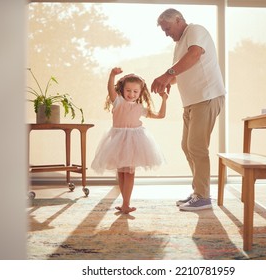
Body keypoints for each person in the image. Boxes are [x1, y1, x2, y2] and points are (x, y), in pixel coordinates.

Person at [151, 8, 226, 211]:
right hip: (192, 102)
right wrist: (169, 80)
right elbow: (182, 71)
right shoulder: (179, 45)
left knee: (197, 147)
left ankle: (203, 196)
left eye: (167, 29)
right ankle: (198, 192)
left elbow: (194, 55)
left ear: (178, 20)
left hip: (207, 96)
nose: (167, 34)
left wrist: (167, 74)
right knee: (187, 146)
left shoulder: (195, 30)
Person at [91, 67, 168, 214]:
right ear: (122, 90)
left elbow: (160, 115)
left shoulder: (140, 107)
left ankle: (126, 203)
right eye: (128, 90)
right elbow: (110, 89)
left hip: (134, 142)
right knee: (121, 172)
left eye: (135, 91)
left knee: (130, 173)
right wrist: (112, 75)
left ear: (140, 93)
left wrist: (164, 100)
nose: (131, 94)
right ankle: (124, 203)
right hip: (118, 141)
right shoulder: (118, 102)